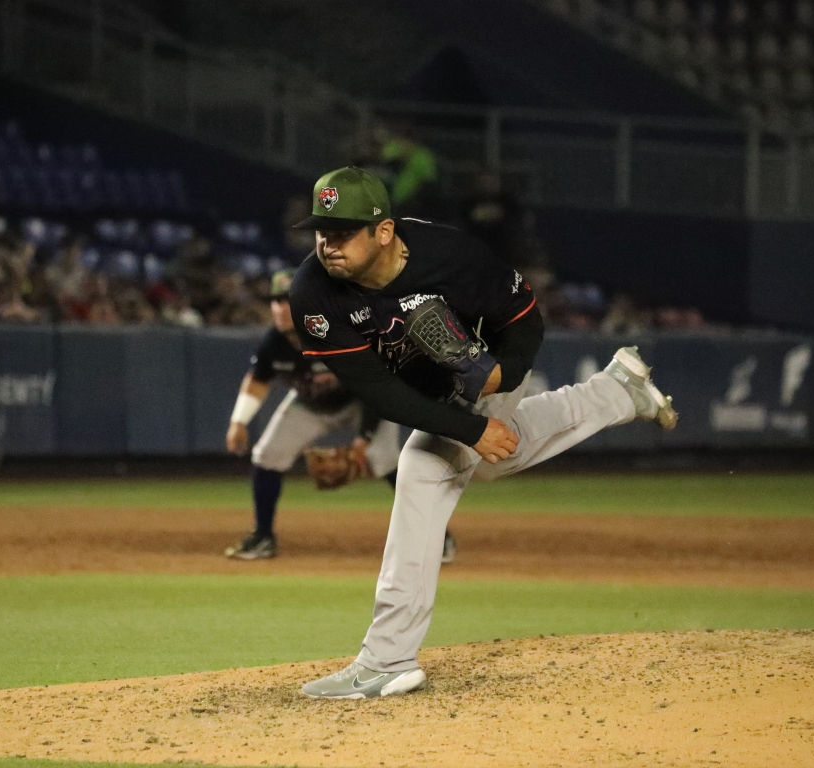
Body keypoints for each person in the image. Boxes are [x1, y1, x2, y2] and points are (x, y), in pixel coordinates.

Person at [287, 166, 677, 699]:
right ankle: (617, 392)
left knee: (423, 472)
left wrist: (498, 378)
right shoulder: (313, 292)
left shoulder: (451, 256)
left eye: (342, 232)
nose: (327, 244)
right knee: (493, 452)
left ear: (384, 230)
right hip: (421, 389)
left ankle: (388, 659)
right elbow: (376, 390)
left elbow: (525, 319)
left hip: (482, 360)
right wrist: (471, 430)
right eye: (321, 231)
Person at [224, 268, 457, 562]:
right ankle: (262, 537)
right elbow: (257, 380)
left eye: (287, 300)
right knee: (267, 455)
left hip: (365, 401)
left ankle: (439, 536)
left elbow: (376, 386)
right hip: (311, 405)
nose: (280, 308)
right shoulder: (274, 343)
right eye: (275, 301)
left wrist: (363, 441)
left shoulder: (334, 332)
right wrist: (238, 421)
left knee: (386, 462)